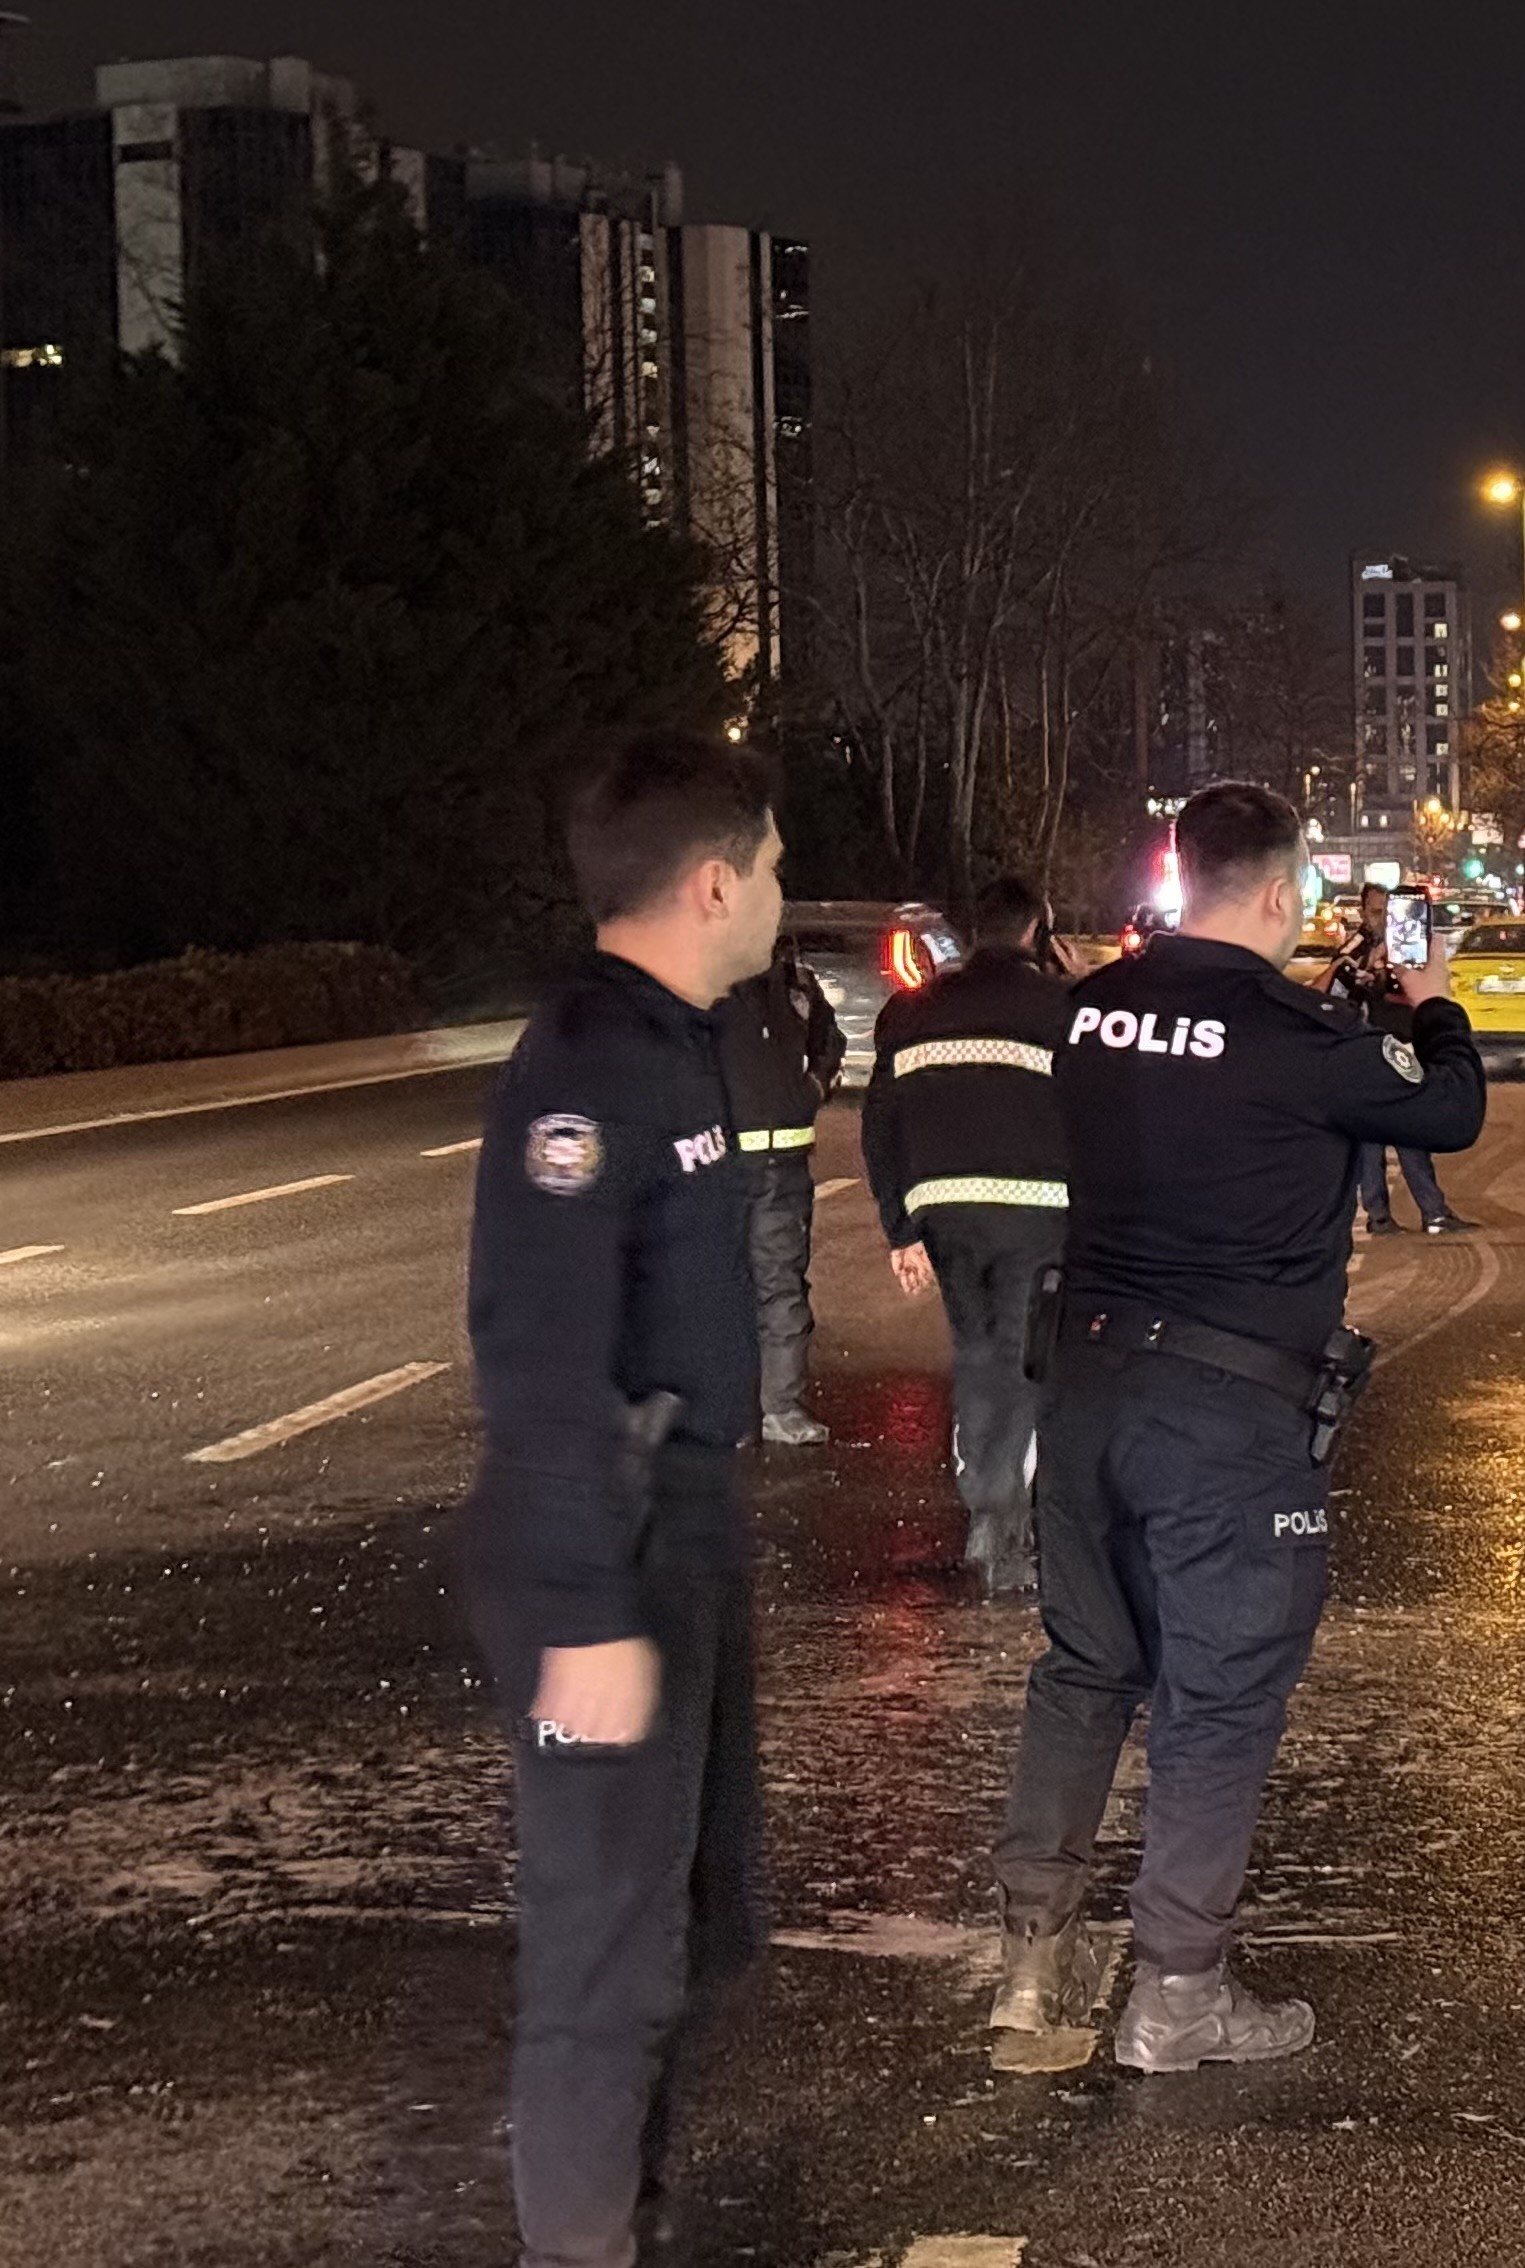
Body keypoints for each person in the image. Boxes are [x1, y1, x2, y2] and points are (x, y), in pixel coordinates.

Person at [990, 784, 1486, 2071]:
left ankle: (1032, 1966)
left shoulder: (1094, 1010)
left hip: (1086, 1389)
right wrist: (1427, 998)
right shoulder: (1290, 1029)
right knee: (1216, 1701)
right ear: (1280, 892)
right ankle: (1179, 1995)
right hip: (1227, 1417)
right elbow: (1448, 1110)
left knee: (1086, 1669)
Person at [455, 732, 785, 2267]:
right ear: (714, 883)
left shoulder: (671, 1039)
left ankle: (623, 2215)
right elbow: (537, 1350)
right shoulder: (586, 1065)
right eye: (775, 869)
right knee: (605, 1950)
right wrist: (584, 1617)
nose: (784, 894)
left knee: (703, 1923)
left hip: (684, 1529)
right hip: (610, 1540)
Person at [863, 875, 1075, 1594]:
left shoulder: (913, 1012)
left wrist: (900, 1228)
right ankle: (1000, 1508)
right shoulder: (1059, 1009)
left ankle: (986, 1497)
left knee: (978, 1350)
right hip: (1039, 1212)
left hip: (945, 1213)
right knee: (1021, 1357)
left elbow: (880, 1125)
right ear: (1035, 931)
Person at [717, 927, 844, 1444]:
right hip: (718, 1166)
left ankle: (778, 1408)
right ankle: (730, 1409)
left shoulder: (795, 988)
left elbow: (829, 1043)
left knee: (779, 1285)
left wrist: (811, 1088)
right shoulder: (701, 985)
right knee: (724, 1287)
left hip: (779, 1164)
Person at [1338, 882, 1472, 1237]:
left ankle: (1427, 1212)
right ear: (1363, 913)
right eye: (1377, 912)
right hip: (1373, 1050)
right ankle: (1394, 1215)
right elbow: (1341, 993)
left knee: (1405, 1133)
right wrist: (1367, 975)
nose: (1384, 919)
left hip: (1407, 1045)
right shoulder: (1358, 948)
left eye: (1390, 911)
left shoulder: (1409, 946)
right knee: (1383, 1138)